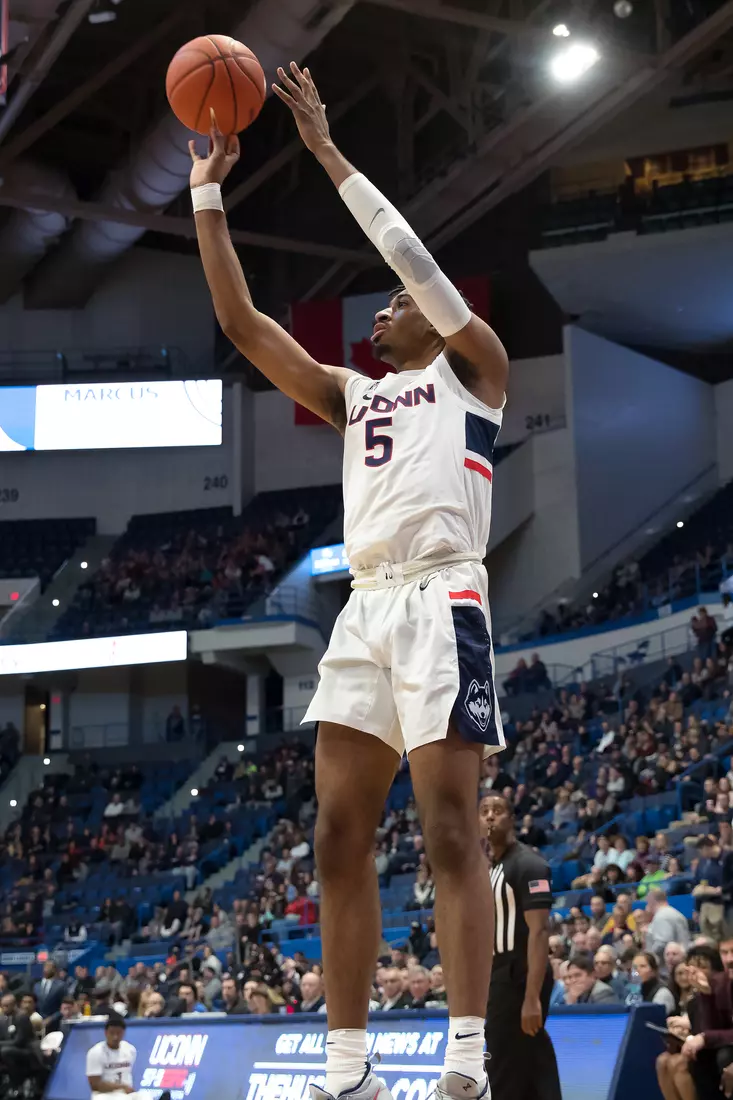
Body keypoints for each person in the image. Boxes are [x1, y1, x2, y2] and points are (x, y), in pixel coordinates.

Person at [191, 60, 510, 1100]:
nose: (375, 320)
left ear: (431, 315)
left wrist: (325, 150)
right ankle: (348, 1066)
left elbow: (412, 261)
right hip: (366, 607)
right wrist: (208, 190)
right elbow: (243, 326)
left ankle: (466, 1052)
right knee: (335, 831)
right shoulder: (351, 397)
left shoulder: (476, 369)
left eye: (391, 309)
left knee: (451, 827)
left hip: (443, 596)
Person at [481, 795, 561, 1100]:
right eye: (484, 812)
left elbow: (539, 933)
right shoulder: (492, 868)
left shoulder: (528, 864)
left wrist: (531, 998)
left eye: (497, 811)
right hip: (500, 973)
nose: (490, 817)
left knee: (502, 1059)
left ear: (511, 819)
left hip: (521, 973)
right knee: (530, 1056)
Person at [86, 1013, 171, 1099]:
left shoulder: (130, 1049)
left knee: (145, 1096)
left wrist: (125, 1088)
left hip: (125, 1093)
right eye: (112, 1033)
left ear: (123, 1033)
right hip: (104, 1095)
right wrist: (120, 1086)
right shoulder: (95, 1052)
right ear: (105, 1033)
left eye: (118, 1033)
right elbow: (95, 1085)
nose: (115, 1037)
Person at [646, 888, 691, 956]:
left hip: (668, 962)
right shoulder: (676, 913)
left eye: (647, 902)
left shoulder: (661, 916)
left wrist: (649, 956)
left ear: (651, 901)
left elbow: (662, 943)